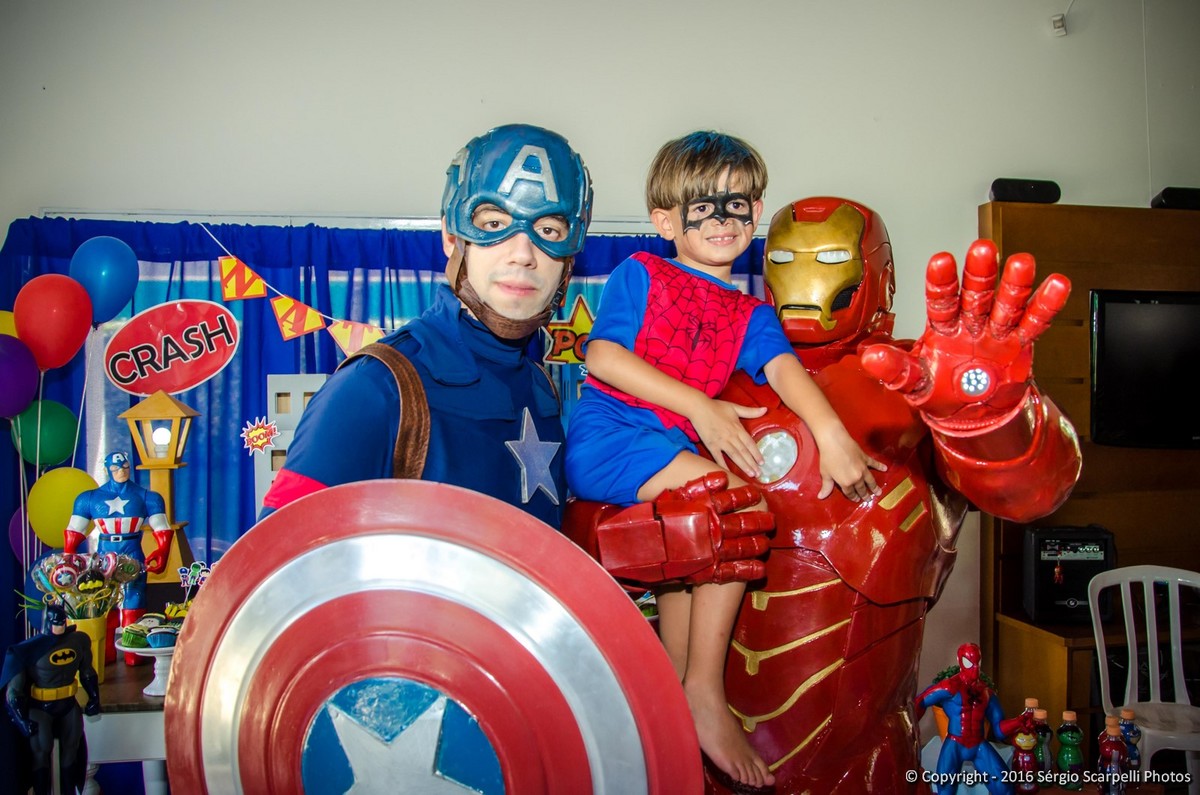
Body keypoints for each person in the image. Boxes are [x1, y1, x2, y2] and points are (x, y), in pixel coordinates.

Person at [564, 196, 1081, 793]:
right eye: (787, 259)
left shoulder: (918, 381)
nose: (808, 276)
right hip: (701, 747)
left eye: (833, 258)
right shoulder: (712, 379)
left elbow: (1030, 490)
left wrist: (990, 416)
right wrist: (662, 538)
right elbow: (600, 521)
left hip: (862, 752)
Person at [565, 132, 882, 788]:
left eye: (735, 205)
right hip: (613, 438)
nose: (721, 219)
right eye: (702, 207)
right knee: (738, 504)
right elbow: (603, 356)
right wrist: (701, 407)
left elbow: (785, 370)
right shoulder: (641, 273)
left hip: (669, 453)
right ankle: (704, 691)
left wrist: (831, 433)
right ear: (666, 222)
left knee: (704, 541)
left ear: (756, 212)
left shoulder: (751, 312)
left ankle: (673, 688)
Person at [63, 450, 172, 665]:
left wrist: (163, 550)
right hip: (104, 556)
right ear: (107, 470)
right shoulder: (90, 498)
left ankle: (133, 650)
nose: (121, 471)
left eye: (125, 467)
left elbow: (162, 528)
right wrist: (69, 556)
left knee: (135, 597)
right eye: (115, 468)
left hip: (132, 552)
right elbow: (74, 531)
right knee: (104, 600)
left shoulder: (146, 496)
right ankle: (105, 651)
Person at [1, 599, 101, 795]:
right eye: (56, 622)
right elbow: (14, 692)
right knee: (41, 750)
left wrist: (94, 698)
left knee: (72, 749)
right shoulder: (28, 650)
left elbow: (87, 672)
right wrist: (22, 720)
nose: (60, 625)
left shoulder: (78, 641)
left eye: (62, 621)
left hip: (68, 702)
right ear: (47, 621)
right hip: (40, 706)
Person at [914, 642, 1012, 795]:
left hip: (978, 744)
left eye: (977, 662)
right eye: (969, 662)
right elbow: (920, 701)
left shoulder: (986, 692)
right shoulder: (950, 686)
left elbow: (999, 730)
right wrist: (910, 732)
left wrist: (1020, 722)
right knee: (945, 790)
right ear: (960, 661)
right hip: (955, 743)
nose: (974, 668)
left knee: (1005, 788)